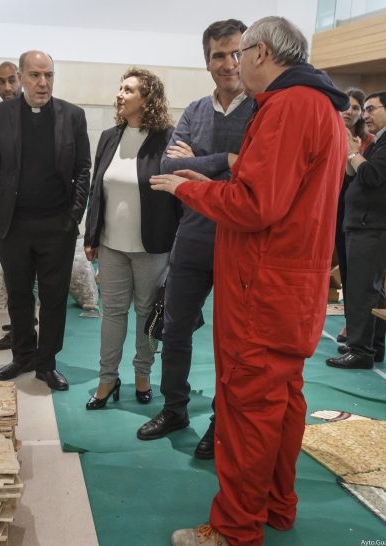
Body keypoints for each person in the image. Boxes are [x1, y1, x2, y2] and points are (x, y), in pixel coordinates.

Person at [150, 16, 348, 546]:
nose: (234, 64)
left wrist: (190, 190)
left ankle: (234, 530)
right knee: (282, 402)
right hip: (291, 287)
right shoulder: (321, 106)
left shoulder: (287, 106)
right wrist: (214, 177)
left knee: (246, 408)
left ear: (260, 53)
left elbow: (256, 205)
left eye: (241, 55)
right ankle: (276, 506)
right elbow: (274, 190)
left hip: (261, 290)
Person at [136, 19, 254, 462]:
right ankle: (174, 409)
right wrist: (224, 160)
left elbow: (253, 170)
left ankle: (223, 420)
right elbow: (167, 165)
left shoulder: (261, 109)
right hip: (192, 237)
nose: (229, 63)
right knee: (174, 327)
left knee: (232, 341)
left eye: (236, 52)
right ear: (207, 62)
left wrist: (202, 162)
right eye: (219, 55)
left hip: (239, 242)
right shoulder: (193, 111)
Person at [0, 50, 91, 391]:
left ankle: (47, 363)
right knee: (19, 293)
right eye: (36, 75)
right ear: (22, 77)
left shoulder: (72, 116)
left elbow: (83, 169)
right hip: (14, 225)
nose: (43, 82)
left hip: (57, 225)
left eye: (49, 75)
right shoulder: (0, 115)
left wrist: (74, 216)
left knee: (54, 297)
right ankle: (23, 355)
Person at [83, 68, 179, 409]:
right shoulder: (110, 136)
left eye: (129, 89)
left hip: (152, 246)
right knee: (112, 314)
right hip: (111, 246)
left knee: (146, 314)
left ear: (147, 98)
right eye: (120, 88)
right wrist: (91, 236)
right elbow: (97, 190)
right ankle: (107, 379)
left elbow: (177, 195)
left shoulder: (167, 138)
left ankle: (143, 374)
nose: (120, 94)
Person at [326, 91, 386, 370]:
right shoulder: (384, 139)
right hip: (368, 223)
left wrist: (354, 152)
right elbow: (357, 174)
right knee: (372, 290)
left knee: (361, 288)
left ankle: (360, 350)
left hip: (377, 225)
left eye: (370, 109)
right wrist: (350, 153)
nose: (364, 115)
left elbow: (372, 176)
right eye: (363, 110)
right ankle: (372, 346)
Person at [334, 88, 374, 345]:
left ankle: (353, 323)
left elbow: (368, 176)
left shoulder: (368, 141)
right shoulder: (328, 128)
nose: (350, 110)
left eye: (356, 108)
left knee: (351, 269)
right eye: (346, 105)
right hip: (329, 203)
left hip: (353, 210)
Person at [0, 61, 22, 352]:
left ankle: (25, 331)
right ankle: (19, 326)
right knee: (13, 280)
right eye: (2, 82)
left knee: (28, 283)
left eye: (12, 80)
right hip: (7, 216)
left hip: (38, 219)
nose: (7, 88)